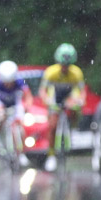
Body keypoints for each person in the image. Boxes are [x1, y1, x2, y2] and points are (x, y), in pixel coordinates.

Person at [38, 43, 86, 171]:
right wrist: (47, 100)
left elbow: (81, 91)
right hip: (55, 96)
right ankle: (51, 155)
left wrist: (79, 101)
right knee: (53, 125)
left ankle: (73, 127)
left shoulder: (76, 73)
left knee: (75, 108)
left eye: (67, 65)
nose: (65, 68)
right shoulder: (51, 72)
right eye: (63, 65)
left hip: (69, 95)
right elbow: (43, 90)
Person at [0, 60, 33, 167]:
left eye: (10, 82)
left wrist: (27, 106)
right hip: (1, 104)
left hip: (15, 104)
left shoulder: (19, 82)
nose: (8, 85)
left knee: (20, 127)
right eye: (5, 82)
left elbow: (28, 96)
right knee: (1, 115)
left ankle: (21, 153)